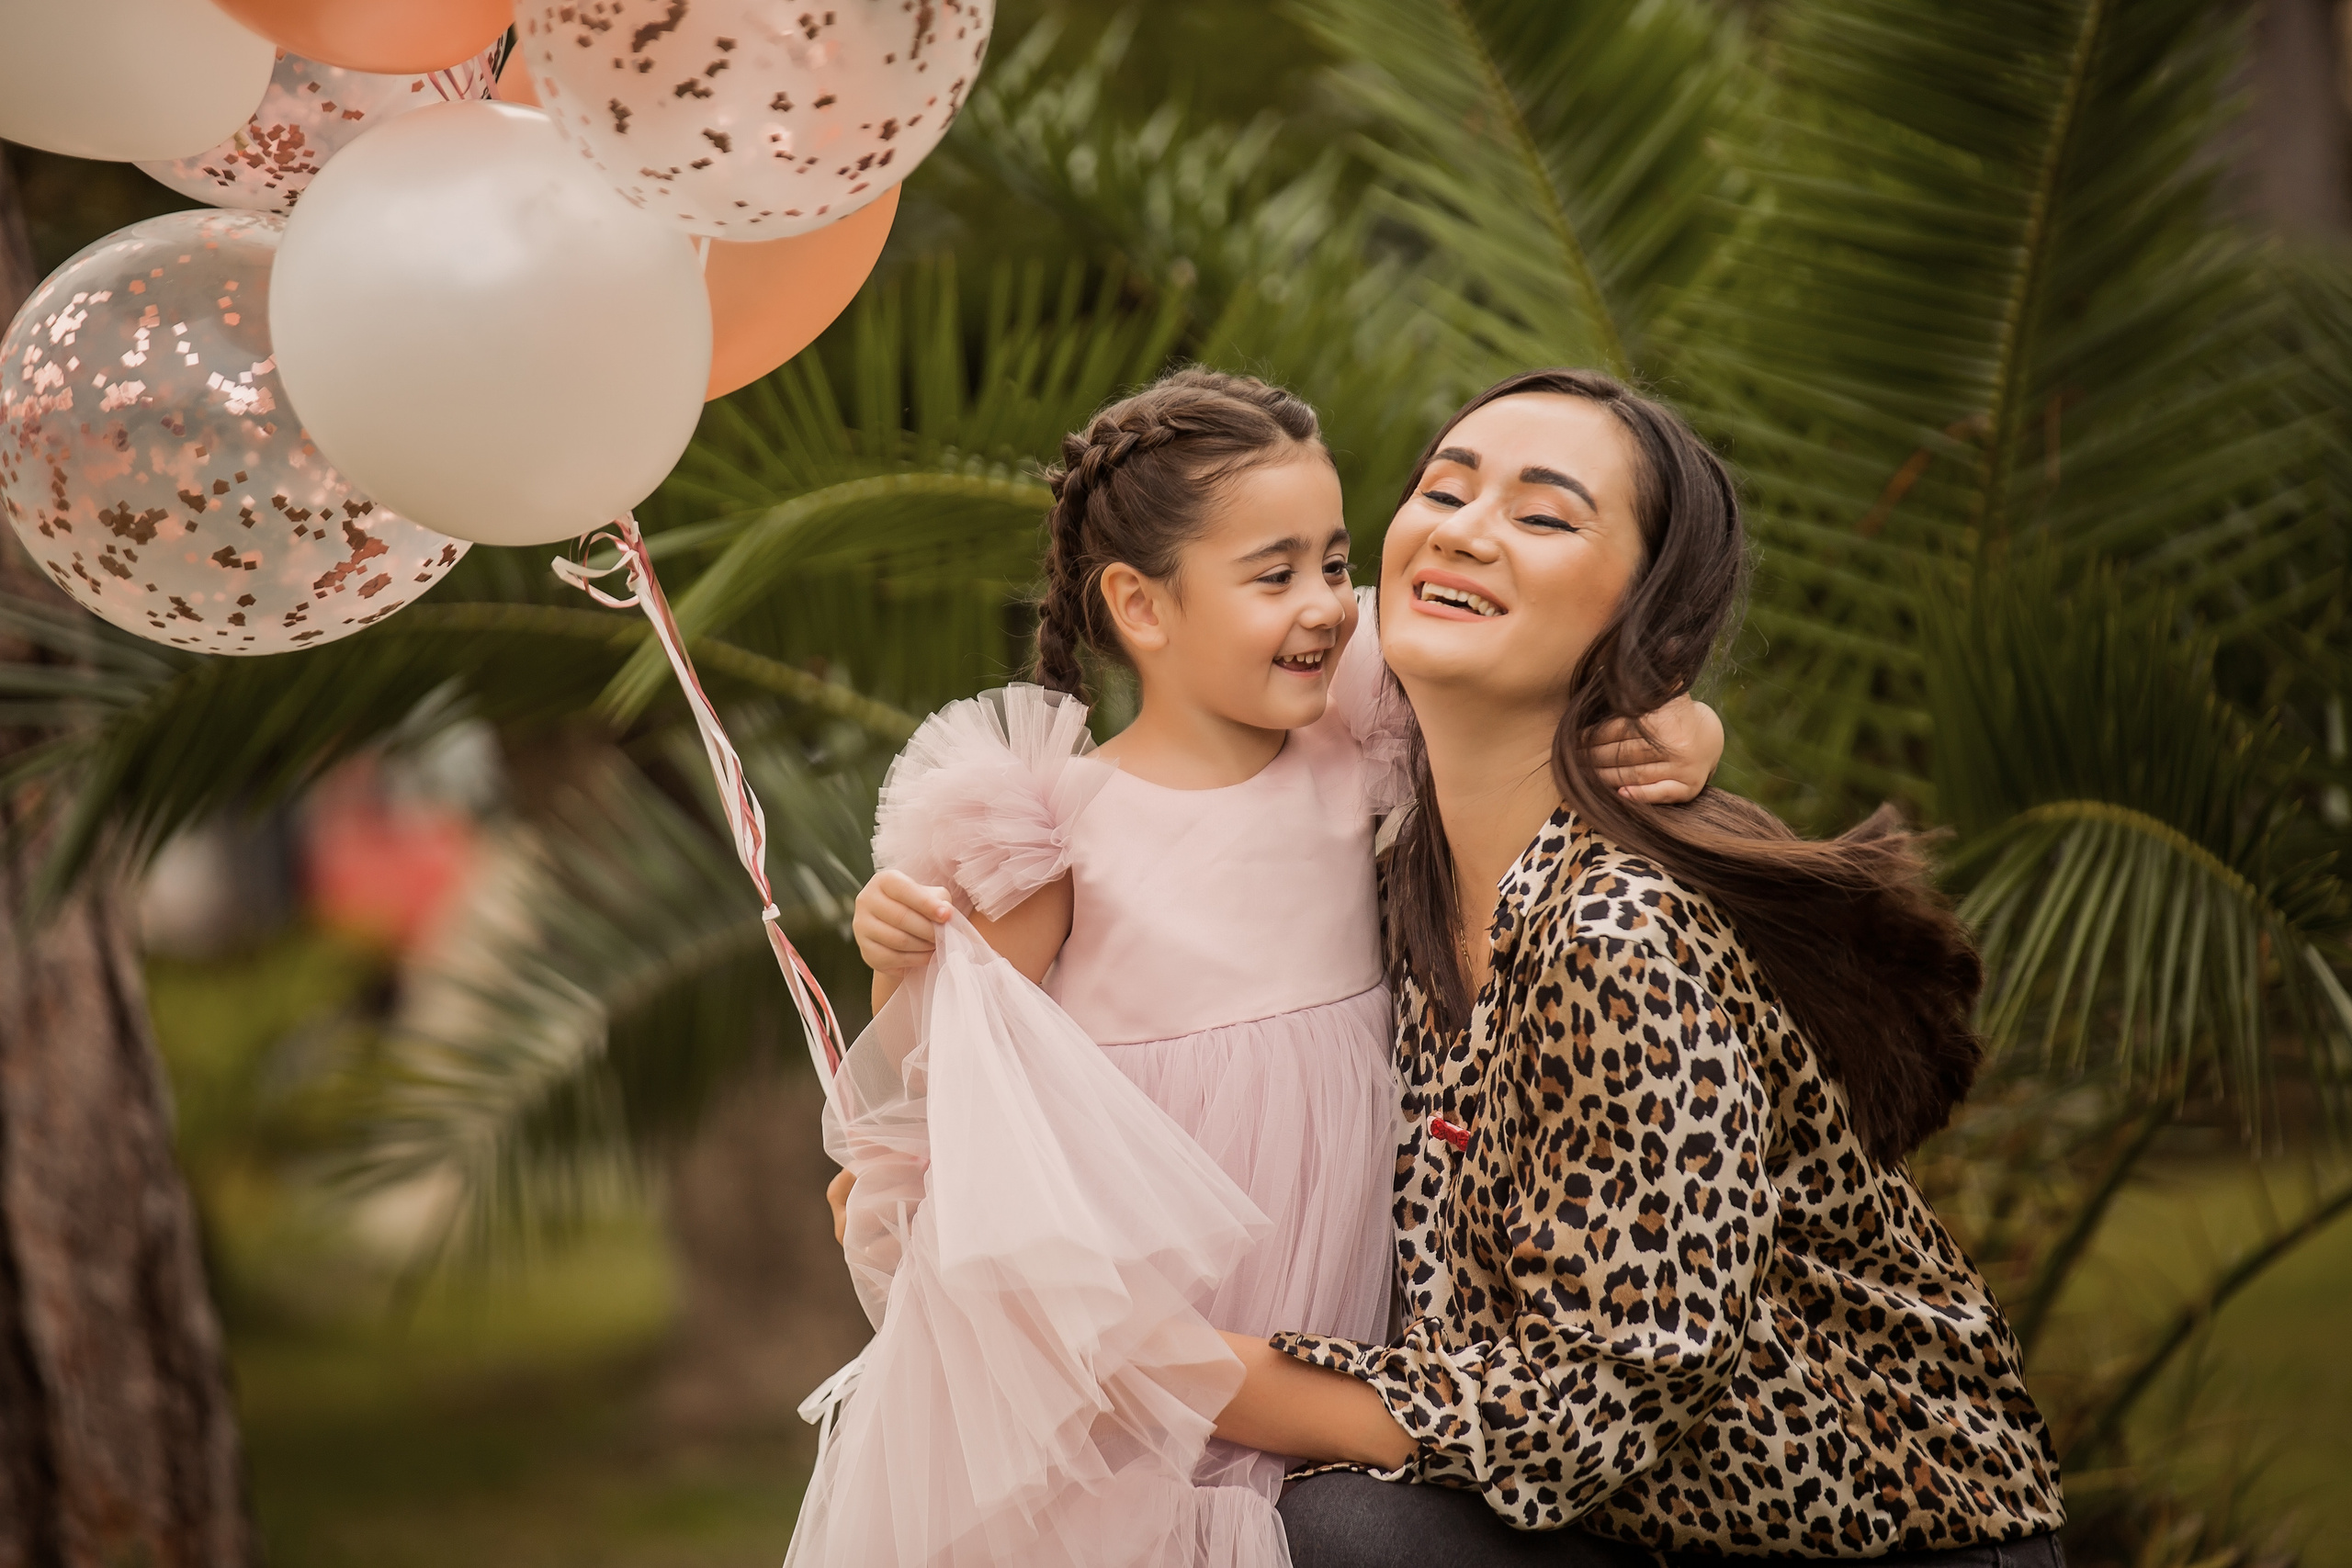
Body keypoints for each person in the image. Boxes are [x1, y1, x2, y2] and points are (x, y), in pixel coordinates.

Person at [831, 367, 1726, 1564]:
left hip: (1330, 1307)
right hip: (1157, 1304)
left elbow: (1543, 690)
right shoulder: (1051, 830)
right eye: (1275, 576)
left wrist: (1687, 726)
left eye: (1335, 562)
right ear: (1142, 610)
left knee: (1309, 1524)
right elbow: (945, 1082)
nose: (1325, 605)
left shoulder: (1348, 734)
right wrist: (900, 958)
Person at [1189, 370, 2067, 1568]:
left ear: (1643, 619)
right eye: (1444, 489)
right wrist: (934, 916)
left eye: (1544, 517)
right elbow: (1149, 773)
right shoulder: (1389, 873)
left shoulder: (1621, 935)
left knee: (1332, 1529)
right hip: (1626, 1528)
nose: (1466, 528)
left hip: (1879, 1543)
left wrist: (1184, 1371)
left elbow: (1600, 1411)